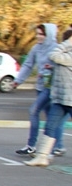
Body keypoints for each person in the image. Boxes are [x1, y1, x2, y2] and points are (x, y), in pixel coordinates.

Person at [12, 23, 65, 157]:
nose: (38, 37)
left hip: (52, 88)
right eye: (37, 34)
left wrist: (50, 70)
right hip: (41, 87)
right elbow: (28, 64)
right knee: (52, 118)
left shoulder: (57, 48)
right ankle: (57, 146)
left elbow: (62, 67)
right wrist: (18, 80)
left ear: (49, 35)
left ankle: (31, 145)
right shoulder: (36, 48)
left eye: (41, 34)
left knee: (34, 110)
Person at [26, 28, 72, 166]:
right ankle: (42, 157)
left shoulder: (67, 54)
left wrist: (68, 42)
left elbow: (53, 55)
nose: (62, 43)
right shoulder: (66, 53)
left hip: (70, 99)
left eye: (65, 41)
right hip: (59, 98)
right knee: (50, 127)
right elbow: (57, 62)